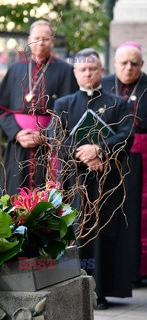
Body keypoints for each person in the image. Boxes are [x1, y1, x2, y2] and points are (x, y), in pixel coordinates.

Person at [52, 48, 133, 310]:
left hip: (107, 183)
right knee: (77, 232)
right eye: (83, 69)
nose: (88, 73)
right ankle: (74, 288)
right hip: (74, 182)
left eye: (93, 69)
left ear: (101, 71)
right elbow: (58, 140)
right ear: (75, 73)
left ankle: (102, 290)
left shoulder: (119, 103)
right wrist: (86, 154)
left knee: (104, 233)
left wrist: (99, 149)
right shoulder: (62, 104)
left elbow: (125, 136)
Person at [0, 20, 78, 195]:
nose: (40, 43)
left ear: (52, 41)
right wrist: (16, 133)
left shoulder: (65, 71)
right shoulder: (15, 69)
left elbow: (69, 112)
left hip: (50, 144)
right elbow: (0, 109)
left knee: (47, 196)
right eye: (37, 38)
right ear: (30, 39)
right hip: (18, 144)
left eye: (45, 39)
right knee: (14, 194)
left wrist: (46, 135)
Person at [102, 41, 147, 285]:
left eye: (134, 63)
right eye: (124, 63)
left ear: (141, 64)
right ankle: (112, 270)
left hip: (141, 159)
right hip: (109, 155)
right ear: (115, 64)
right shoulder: (104, 84)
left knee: (137, 214)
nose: (129, 68)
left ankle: (139, 270)